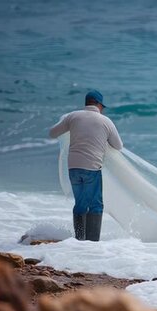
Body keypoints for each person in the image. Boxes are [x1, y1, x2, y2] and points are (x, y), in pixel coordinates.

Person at [49, 90, 123, 241]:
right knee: (95, 205)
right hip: (92, 168)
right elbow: (118, 146)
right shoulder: (105, 121)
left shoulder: (73, 116)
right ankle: (92, 243)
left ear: (86, 103)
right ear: (98, 104)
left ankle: (79, 239)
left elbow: (52, 133)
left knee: (80, 203)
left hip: (73, 168)